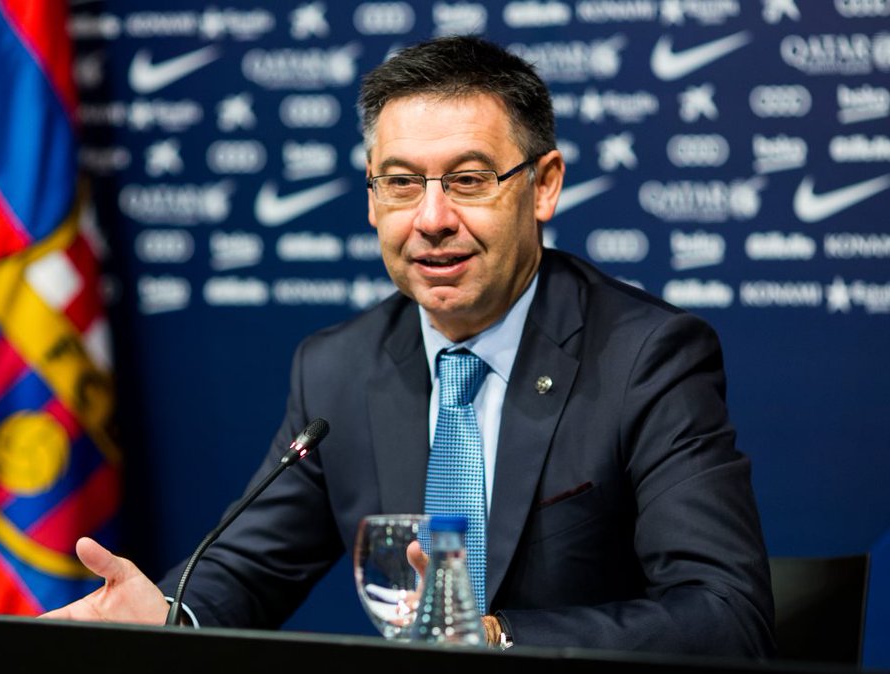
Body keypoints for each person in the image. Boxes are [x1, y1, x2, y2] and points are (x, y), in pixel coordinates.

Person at [42, 36, 776, 657]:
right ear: (372, 198)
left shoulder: (645, 357)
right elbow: (248, 567)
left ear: (544, 186)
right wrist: (169, 617)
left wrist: (498, 638)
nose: (431, 219)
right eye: (399, 183)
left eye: (468, 180)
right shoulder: (339, 367)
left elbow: (725, 613)